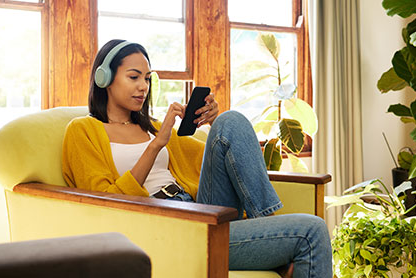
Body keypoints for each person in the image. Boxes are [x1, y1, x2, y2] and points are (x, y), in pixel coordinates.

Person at [62, 39, 332, 278]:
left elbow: (224, 164)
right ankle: (274, 239)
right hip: (163, 223)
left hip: (197, 207)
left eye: (147, 78)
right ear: (104, 78)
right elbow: (104, 203)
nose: (143, 87)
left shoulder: (153, 126)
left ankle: (265, 222)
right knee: (312, 230)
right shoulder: (83, 130)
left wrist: (213, 122)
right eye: (133, 77)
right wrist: (156, 145)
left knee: (231, 120)